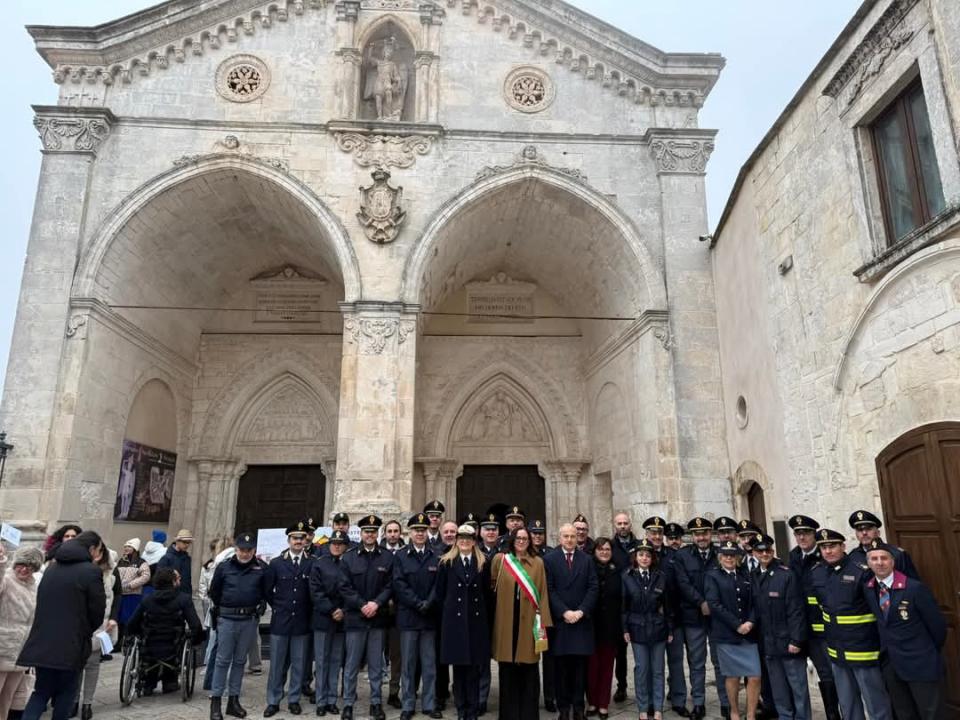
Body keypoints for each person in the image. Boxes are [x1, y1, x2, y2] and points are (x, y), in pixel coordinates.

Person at [18, 531, 107, 720]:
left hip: (43, 641)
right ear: (91, 549)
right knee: (67, 692)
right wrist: (85, 631)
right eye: (98, 550)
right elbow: (97, 611)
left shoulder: (52, 568)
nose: (98, 555)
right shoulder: (91, 571)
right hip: (72, 643)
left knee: (40, 692)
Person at [809, 529, 891, 720]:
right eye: (824, 547)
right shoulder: (818, 572)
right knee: (848, 705)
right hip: (837, 652)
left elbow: (878, 612)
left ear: (843, 546)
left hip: (864, 651)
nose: (828, 551)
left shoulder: (861, 571)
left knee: (876, 704)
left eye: (832, 546)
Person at [864, 539, 946, 720]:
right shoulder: (869, 589)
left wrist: (925, 651)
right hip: (892, 664)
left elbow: (937, 627)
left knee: (931, 713)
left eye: (884, 558)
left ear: (893, 561)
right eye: (874, 559)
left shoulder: (914, 588)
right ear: (869, 563)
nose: (879, 563)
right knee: (903, 713)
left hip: (920, 662)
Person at [490, 526, 551, 720]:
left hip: (529, 622)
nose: (522, 541)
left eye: (525, 538)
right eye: (518, 538)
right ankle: (508, 715)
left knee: (529, 672)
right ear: (512, 539)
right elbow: (492, 588)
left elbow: (542, 594)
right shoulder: (500, 560)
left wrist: (543, 625)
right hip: (506, 621)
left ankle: (528, 714)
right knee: (507, 672)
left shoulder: (538, 563)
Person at [208, 531, 269, 720]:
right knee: (222, 660)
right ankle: (216, 702)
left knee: (240, 661)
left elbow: (264, 591)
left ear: (254, 551)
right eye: (242, 550)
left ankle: (233, 701)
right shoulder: (224, 567)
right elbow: (214, 592)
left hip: (248, 620)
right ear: (236, 549)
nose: (245, 554)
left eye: (249, 550)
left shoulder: (261, 568)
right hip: (227, 619)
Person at [340, 515, 395, 720]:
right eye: (366, 531)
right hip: (356, 618)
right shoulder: (349, 557)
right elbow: (344, 587)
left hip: (378, 619)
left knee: (376, 665)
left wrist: (376, 603)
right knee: (351, 665)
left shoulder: (387, 557)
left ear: (377, 533)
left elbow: (390, 585)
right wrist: (362, 605)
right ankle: (348, 703)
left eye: (373, 531)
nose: (370, 534)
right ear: (361, 533)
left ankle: (375, 702)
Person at [751, 534, 811, 720]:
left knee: (798, 689)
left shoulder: (786, 574)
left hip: (788, 642)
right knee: (778, 689)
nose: (764, 553)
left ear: (773, 551)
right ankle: (785, 716)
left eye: (768, 550)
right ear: (754, 553)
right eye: (760, 551)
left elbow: (796, 610)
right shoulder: (754, 576)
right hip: (768, 643)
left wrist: (796, 639)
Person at [786, 514, 839, 720]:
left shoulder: (824, 555)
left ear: (814, 534)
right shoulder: (793, 556)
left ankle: (834, 714)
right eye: (798, 534)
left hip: (822, 626)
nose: (802, 537)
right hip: (801, 625)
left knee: (828, 672)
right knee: (814, 673)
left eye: (806, 533)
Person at [436, 525, 491, 720]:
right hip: (455, 624)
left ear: (474, 541)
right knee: (459, 671)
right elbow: (440, 595)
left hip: (476, 624)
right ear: (456, 540)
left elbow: (487, 596)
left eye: (468, 538)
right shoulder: (446, 562)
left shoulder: (483, 562)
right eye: (461, 538)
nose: (465, 541)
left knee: (474, 670)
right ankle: (461, 709)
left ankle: (473, 709)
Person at [545, 522, 598, 720]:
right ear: (559, 538)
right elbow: (549, 590)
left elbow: (593, 587)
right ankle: (563, 709)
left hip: (581, 622)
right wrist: (564, 612)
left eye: (573, 536)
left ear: (578, 538)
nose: (569, 540)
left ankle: (578, 708)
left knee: (579, 670)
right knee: (561, 670)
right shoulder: (549, 560)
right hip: (561, 623)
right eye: (566, 536)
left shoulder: (587, 560)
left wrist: (581, 611)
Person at [393, 514, 443, 720]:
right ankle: (408, 704)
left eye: (423, 530)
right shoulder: (401, 556)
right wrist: (416, 603)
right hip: (409, 617)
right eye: (416, 530)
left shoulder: (437, 555)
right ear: (410, 533)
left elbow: (438, 584)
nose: (420, 533)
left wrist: (428, 602)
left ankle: (429, 704)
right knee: (409, 664)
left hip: (429, 617)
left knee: (430, 664)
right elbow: (399, 584)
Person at [672, 517, 722, 720]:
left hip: (718, 617)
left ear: (711, 534)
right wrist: (701, 602)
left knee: (720, 661)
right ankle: (699, 703)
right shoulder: (683, 555)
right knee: (697, 662)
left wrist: (713, 604)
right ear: (692, 537)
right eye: (697, 534)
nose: (701, 537)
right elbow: (682, 583)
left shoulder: (720, 553)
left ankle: (726, 702)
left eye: (705, 533)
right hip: (693, 616)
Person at [705, 541, 760, 720]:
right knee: (732, 676)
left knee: (754, 676)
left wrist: (751, 622)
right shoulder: (712, 576)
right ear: (720, 558)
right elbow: (714, 604)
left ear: (737, 557)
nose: (729, 558)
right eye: (725, 555)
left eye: (732, 555)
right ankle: (734, 711)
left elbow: (755, 601)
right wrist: (737, 625)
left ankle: (751, 715)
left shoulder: (746, 574)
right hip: (726, 635)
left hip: (749, 635)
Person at [264, 522, 314, 717]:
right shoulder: (276, 563)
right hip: (281, 621)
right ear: (289, 540)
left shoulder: (311, 562)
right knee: (277, 664)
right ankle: (274, 700)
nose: (299, 541)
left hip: (302, 620)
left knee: (299, 663)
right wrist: (278, 606)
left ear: (305, 540)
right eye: (295, 538)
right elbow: (268, 590)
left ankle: (294, 699)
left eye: (301, 538)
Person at [128, 567, 203, 694]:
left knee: (149, 644)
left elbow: (132, 622)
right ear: (173, 582)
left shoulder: (147, 599)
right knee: (180, 641)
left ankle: (148, 682)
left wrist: (136, 633)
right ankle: (170, 681)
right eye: (178, 578)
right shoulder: (183, 599)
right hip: (173, 644)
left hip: (150, 643)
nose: (180, 580)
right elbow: (195, 625)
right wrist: (197, 639)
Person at [642, 516, 687, 717]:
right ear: (647, 535)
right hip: (650, 621)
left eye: (660, 533)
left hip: (672, 617)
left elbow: (680, 584)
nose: (657, 536)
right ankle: (652, 701)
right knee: (652, 665)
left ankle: (678, 700)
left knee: (676, 661)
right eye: (653, 533)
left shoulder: (673, 555)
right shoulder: (641, 556)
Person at [622, 540, 671, 720]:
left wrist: (670, 629)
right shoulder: (627, 576)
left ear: (653, 558)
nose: (644, 558)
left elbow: (667, 606)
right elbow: (623, 606)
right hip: (637, 629)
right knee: (642, 669)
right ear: (635, 557)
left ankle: (657, 708)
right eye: (641, 555)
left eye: (648, 555)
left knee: (658, 669)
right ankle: (643, 708)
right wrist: (625, 628)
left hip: (658, 628)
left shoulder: (660, 576)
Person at [72, 546, 120, 718]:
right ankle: (74, 700)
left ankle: (87, 703)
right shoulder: (84, 574)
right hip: (82, 626)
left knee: (93, 665)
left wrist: (113, 619)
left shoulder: (113, 578)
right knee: (77, 666)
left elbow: (117, 598)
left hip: (103, 626)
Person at [0, 545, 43, 720]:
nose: (25, 569)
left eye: (30, 566)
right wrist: (1, 563)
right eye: (21, 564)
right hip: (3, 648)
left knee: (8, 699)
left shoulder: (33, 586)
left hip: (22, 652)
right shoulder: (7, 579)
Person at [309, 529, 348, 717]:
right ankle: (321, 700)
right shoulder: (319, 564)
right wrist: (332, 610)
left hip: (342, 619)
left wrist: (344, 611)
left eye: (340, 544)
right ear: (329, 544)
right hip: (324, 618)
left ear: (345, 546)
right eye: (334, 543)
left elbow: (353, 590)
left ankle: (332, 699)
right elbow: (315, 591)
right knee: (322, 661)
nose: (336, 546)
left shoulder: (349, 564)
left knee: (335, 661)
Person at [586, 537, 621, 719]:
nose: (604, 552)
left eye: (607, 549)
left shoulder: (618, 570)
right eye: (600, 549)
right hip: (590, 626)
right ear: (595, 551)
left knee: (607, 667)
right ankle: (592, 702)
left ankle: (603, 703)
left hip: (611, 627)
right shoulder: (587, 568)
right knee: (592, 668)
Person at [610, 512, 639, 707]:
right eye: (619, 523)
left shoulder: (640, 546)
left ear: (630, 524)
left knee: (641, 648)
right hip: (617, 606)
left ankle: (644, 687)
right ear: (615, 525)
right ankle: (621, 685)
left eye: (625, 523)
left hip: (638, 605)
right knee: (620, 651)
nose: (622, 526)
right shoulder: (609, 547)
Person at [529, 519, 556, 713]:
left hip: (543, 614)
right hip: (527, 614)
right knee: (529, 656)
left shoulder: (551, 554)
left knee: (548, 657)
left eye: (540, 533)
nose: (537, 536)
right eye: (534, 533)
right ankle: (531, 696)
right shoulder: (522, 554)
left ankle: (549, 696)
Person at [847, 511, 919, 579]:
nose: (864, 533)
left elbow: (912, 584)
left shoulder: (897, 554)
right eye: (859, 530)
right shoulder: (853, 556)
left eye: (868, 529)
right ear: (856, 534)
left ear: (878, 532)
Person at [433, 519, 459, 711]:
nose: (449, 534)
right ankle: (440, 693)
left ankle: (459, 691)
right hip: (440, 614)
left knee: (460, 655)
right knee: (439, 658)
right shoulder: (435, 553)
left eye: (453, 532)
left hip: (459, 614)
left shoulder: (465, 553)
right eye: (447, 532)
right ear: (442, 534)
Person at [379, 519, 404, 710]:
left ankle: (393, 692)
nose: (393, 534)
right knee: (375, 655)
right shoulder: (377, 553)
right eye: (390, 531)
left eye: (396, 531)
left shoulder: (405, 552)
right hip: (378, 612)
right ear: (385, 533)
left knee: (396, 656)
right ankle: (374, 693)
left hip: (399, 613)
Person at [116, 538, 151, 645]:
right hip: (120, 594)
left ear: (135, 549)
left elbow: (146, 576)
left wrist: (131, 585)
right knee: (119, 619)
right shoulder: (121, 561)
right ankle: (118, 642)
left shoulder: (141, 562)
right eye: (125, 546)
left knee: (129, 619)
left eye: (129, 546)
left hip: (133, 595)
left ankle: (128, 641)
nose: (126, 548)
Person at [158, 529, 193, 596]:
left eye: (189, 542)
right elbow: (159, 578)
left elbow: (188, 580)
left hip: (185, 596)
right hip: (170, 596)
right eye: (184, 542)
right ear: (177, 541)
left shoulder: (187, 558)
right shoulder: (166, 558)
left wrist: (189, 595)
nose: (187, 545)